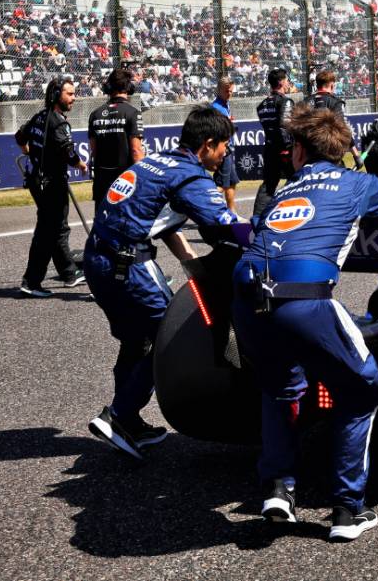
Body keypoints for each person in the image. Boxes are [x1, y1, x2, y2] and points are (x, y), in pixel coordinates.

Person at [231, 105, 378, 541]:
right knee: (364, 391)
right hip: (306, 302)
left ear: (299, 151)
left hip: (246, 301)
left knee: (279, 389)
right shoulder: (362, 183)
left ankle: (278, 488)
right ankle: (347, 510)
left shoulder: (285, 189)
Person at [84, 107, 238, 459]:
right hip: (128, 265)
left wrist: (193, 267)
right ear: (208, 144)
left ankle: (129, 419)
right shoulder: (190, 177)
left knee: (136, 340)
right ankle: (119, 416)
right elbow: (227, 225)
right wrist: (269, 235)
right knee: (167, 340)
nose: (226, 153)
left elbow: (165, 223)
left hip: (99, 259)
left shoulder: (156, 162)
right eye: (224, 146)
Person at [16, 77, 87, 298]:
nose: (74, 98)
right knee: (47, 232)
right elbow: (68, 151)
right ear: (57, 96)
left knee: (57, 227)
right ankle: (31, 281)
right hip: (51, 183)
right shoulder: (59, 122)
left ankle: (68, 273)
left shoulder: (39, 117)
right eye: (70, 94)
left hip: (38, 180)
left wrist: (28, 151)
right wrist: (80, 164)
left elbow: (20, 136)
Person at [88, 68, 144, 215]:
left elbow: (94, 151)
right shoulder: (132, 113)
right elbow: (136, 151)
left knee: (102, 223)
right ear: (128, 88)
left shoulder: (95, 114)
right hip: (125, 181)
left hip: (102, 180)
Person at [254, 68, 295, 219]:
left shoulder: (262, 105)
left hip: (269, 148)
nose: (288, 82)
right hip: (284, 150)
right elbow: (284, 126)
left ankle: (257, 218)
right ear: (280, 82)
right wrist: (286, 148)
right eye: (286, 80)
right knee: (297, 181)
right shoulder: (285, 101)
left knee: (269, 185)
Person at [311, 69, 363, 168]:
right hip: (328, 153)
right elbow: (342, 129)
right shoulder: (335, 102)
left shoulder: (305, 102)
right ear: (331, 85)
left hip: (309, 155)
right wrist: (356, 155)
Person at [209, 77, 240, 214]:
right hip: (224, 149)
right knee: (221, 184)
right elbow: (219, 130)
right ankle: (200, 205)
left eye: (231, 91)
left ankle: (231, 212)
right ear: (220, 90)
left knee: (231, 182)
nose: (230, 94)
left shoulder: (225, 104)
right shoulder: (217, 107)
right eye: (227, 91)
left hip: (228, 147)